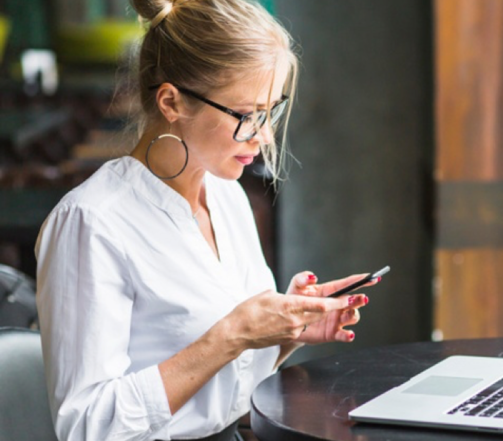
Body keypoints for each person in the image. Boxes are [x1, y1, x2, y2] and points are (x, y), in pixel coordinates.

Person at [34, 1, 374, 440]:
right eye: (246, 115)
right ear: (172, 102)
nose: (264, 135)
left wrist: (286, 332)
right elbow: (86, 427)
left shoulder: (227, 196)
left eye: (270, 112)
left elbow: (229, 390)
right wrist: (231, 334)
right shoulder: (91, 224)